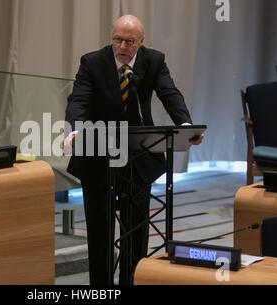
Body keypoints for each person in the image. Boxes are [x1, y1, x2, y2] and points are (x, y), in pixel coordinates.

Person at [64, 15, 203, 285]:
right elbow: (78, 98)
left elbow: (169, 94)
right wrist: (76, 127)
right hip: (98, 152)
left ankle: (131, 279)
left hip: (138, 153)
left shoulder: (154, 60)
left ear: (141, 42)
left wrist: (185, 124)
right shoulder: (92, 62)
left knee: (136, 227)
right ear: (111, 37)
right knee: (100, 227)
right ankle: (101, 287)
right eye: (117, 39)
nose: (122, 46)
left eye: (129, 41)